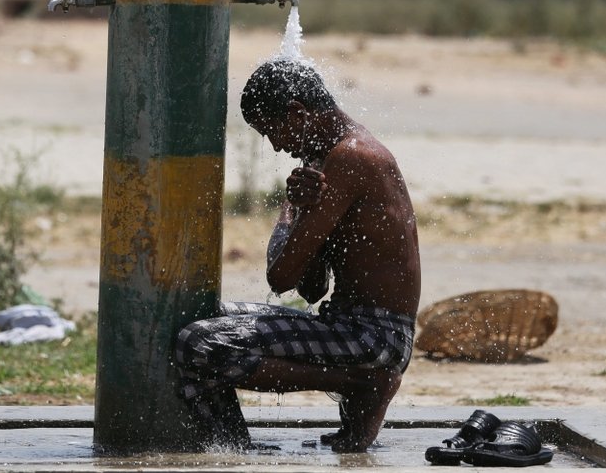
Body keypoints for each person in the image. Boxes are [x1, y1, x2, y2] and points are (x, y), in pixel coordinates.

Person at [175, 58, 421, 452]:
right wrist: (303, 211)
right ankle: (232, 451)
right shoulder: (324, 160)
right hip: (346, 325)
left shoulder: (352, 157)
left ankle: (359, 383)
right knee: (197, 314)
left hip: (376, 337)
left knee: (198, 342)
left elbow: (280, 278)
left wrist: (290, 212)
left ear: (297, 113)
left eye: (272, 131)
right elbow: (311, 288)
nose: (277, 146)